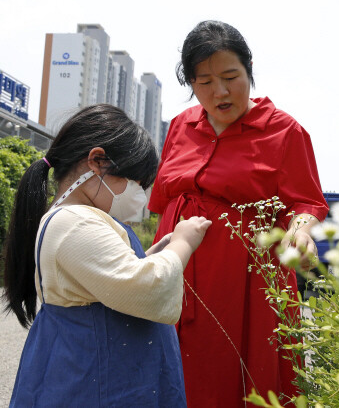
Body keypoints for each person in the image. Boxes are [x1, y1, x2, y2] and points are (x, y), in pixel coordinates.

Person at [149, 20, 329, 406]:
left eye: (231, 76)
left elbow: (305, 203)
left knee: (242, 374)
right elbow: (163, 201)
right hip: (178, 268)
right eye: (204, 82)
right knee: (171, 370)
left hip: (246, 279)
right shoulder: (181, 126)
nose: (220, 91)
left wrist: (300, 230)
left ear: (250, 71)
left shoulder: (284, 131)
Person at [2, 104, 212, 407]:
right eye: (136, 182)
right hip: (94, 383)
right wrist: (183, 242)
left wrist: (153, 254)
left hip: (93, 375)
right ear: (97, 162)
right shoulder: (75, 223)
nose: (139, 194)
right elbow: (144, 289)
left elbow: (104, 284)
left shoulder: (77, 219)